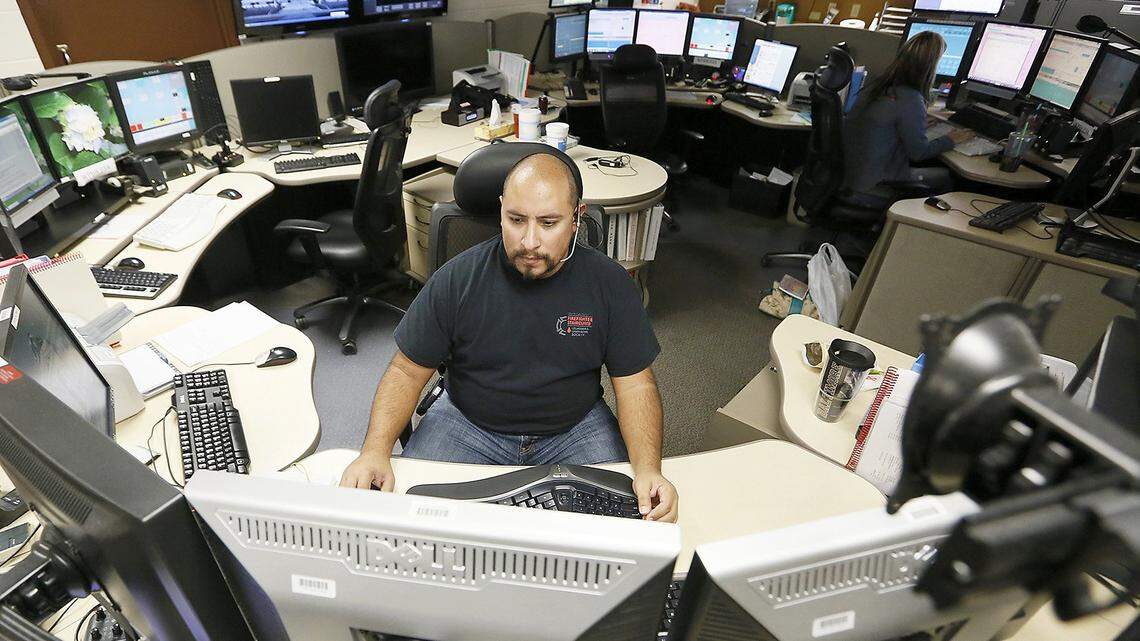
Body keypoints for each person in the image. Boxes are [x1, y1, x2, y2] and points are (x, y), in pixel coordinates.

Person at [340, 152, 679, 523]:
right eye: (516, 220)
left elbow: (635, 385)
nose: (529, 241)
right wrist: (374, 451)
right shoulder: (457, 279)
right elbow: (405, 372)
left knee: (627, 520)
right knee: (412, 518)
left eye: (548, 223)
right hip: (466, 422)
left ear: (576, 218)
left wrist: (650, 469)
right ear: (501, 210)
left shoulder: (610, 284)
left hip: (575, 427)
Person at [843, 30, 974, 208]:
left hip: (850, 179)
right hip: (875, 186)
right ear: (931, 66)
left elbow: (883, 125)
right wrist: (950, 139)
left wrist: (915, 126)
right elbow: (918, 153)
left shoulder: (878, 86)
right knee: (947, 177)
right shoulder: (910, 99)